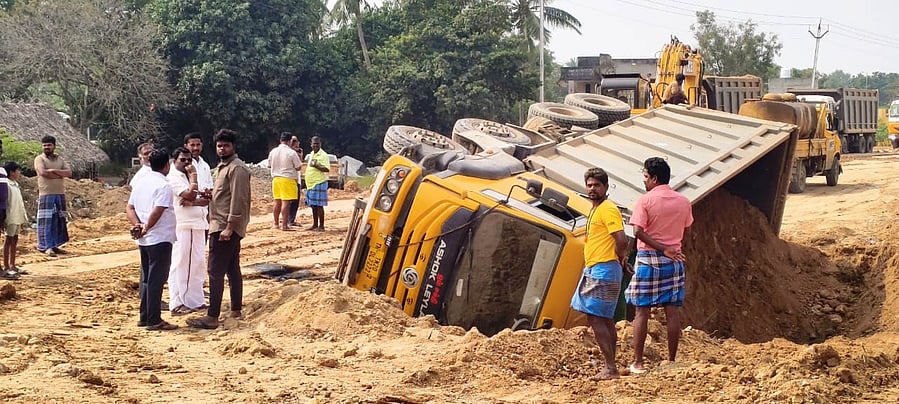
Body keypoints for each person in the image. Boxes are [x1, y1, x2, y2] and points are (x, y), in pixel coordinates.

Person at [624, 157, 693, 374]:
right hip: (674, 261)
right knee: (672, 312)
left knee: (641, 312)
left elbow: (637, 232)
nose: (644, 180)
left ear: (654, 178)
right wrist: (672, 248)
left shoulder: (645, 201)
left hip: (649, 260)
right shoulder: (683, 201)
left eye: (645, 176)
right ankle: (671, 361)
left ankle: (638, 362)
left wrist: (661, 248)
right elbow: (687, 230)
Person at [187, 129, 251, 330]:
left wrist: (230, 227)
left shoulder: (237, 169)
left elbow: (239, 200)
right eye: (219, 145)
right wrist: (211, 194)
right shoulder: (222, 168)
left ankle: (212, 316)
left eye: (226, 145)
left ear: (233, 147)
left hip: (224, 227)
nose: (222, 149)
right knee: (232, 268)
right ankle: (235, 309)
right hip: (220, 223)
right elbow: (225, 195)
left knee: (215, 271)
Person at [570, 167, 629, 381]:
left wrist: (621, 258)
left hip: (603, 269)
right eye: (589, 185)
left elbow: (621, 239)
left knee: (595, 317)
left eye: (596, 185)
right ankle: (611, 364)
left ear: (605, 187)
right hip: (601, 268)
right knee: (605, 318)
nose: (592, 189)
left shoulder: (607, 209)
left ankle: (610, 368)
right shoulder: (597, 208)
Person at [126, 148, 178, 331]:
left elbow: (130, 207)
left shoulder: (141, 182)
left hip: (144, 239)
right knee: (157, 278)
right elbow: (158, 210)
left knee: (148, 278)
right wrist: (146, 226)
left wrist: (138, 226)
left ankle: (145, 316)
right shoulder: (164, 186)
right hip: (159, 237)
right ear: (167, 165)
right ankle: (154, 319)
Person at [167, 147, 209, 315]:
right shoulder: (173, 177)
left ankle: (195, 300)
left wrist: (194, 200)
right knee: (181, 263)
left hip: (198, 223)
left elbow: (205, 198)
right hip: (184, 225)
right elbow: (190, 195)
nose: (186, 163)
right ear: (174, 161)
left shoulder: (193, 173)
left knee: (197, 263)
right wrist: (193, 179)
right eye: (182, 160)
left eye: (189, 160)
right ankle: (177, 302)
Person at [34, 135, 72, 257]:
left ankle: (55, 245)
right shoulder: (39, 159)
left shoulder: (60, 159)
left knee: (58, 220)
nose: (47, 147)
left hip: (60, 194)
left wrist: (52, 172)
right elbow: (42, 172)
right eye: (44, 145)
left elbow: (69, 173)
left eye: (49, 145)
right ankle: (45, 247)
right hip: (46, 194)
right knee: (46, 222)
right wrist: (58, 174)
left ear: (54, 146)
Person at [268, 132, 302, 230]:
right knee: (286, 202)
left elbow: (269, 165)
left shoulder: (273, 151)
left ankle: (275, 223)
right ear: (289, 141)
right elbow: (298, 167)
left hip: (276, 179)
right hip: (287, 178)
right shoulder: (291, 153)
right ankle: (284, 225)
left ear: (280, 140)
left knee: (277, 201)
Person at [3, 162, 28, 278]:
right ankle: (6, 266)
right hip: (11, 216)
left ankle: (13, 264)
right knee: (8, 240)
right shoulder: (7, 184)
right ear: (12, 172)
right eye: (17, 171)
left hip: (17, 216)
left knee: (15, 240)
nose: (19, 173)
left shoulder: (15, 184)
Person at [304, 136, 330, 231]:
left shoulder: (323, 155)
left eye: (317, 144)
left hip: (319, 182)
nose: (315, 145)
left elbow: (327, 169)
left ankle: (321, 226)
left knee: (319, 205)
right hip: (311, 184)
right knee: (313, 205)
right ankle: (315, 224)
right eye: (314, 143)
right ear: (311, 144)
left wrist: (316, 165)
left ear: (320, 144)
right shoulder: (311, 154)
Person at [184, 133, 214, 199]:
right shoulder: (183, 164)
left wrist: (208, 192)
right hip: (188, 205)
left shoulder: (205, 165)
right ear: (186, 146)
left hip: (204, 206)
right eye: (192, 145)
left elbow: (211, 187)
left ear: (202, 145)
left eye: (198, 145)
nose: (195, 148)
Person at [287, 136, 304, 226]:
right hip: (291, 179)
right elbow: (297, 166)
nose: (297, 145)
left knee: (295, 201)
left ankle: (291, 219)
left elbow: (300, 165)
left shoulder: (297, 154)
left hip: (297, 179)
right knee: (290, 201)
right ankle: (288, 220)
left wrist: (300, 156)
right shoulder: (290, 153)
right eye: (294, 142)